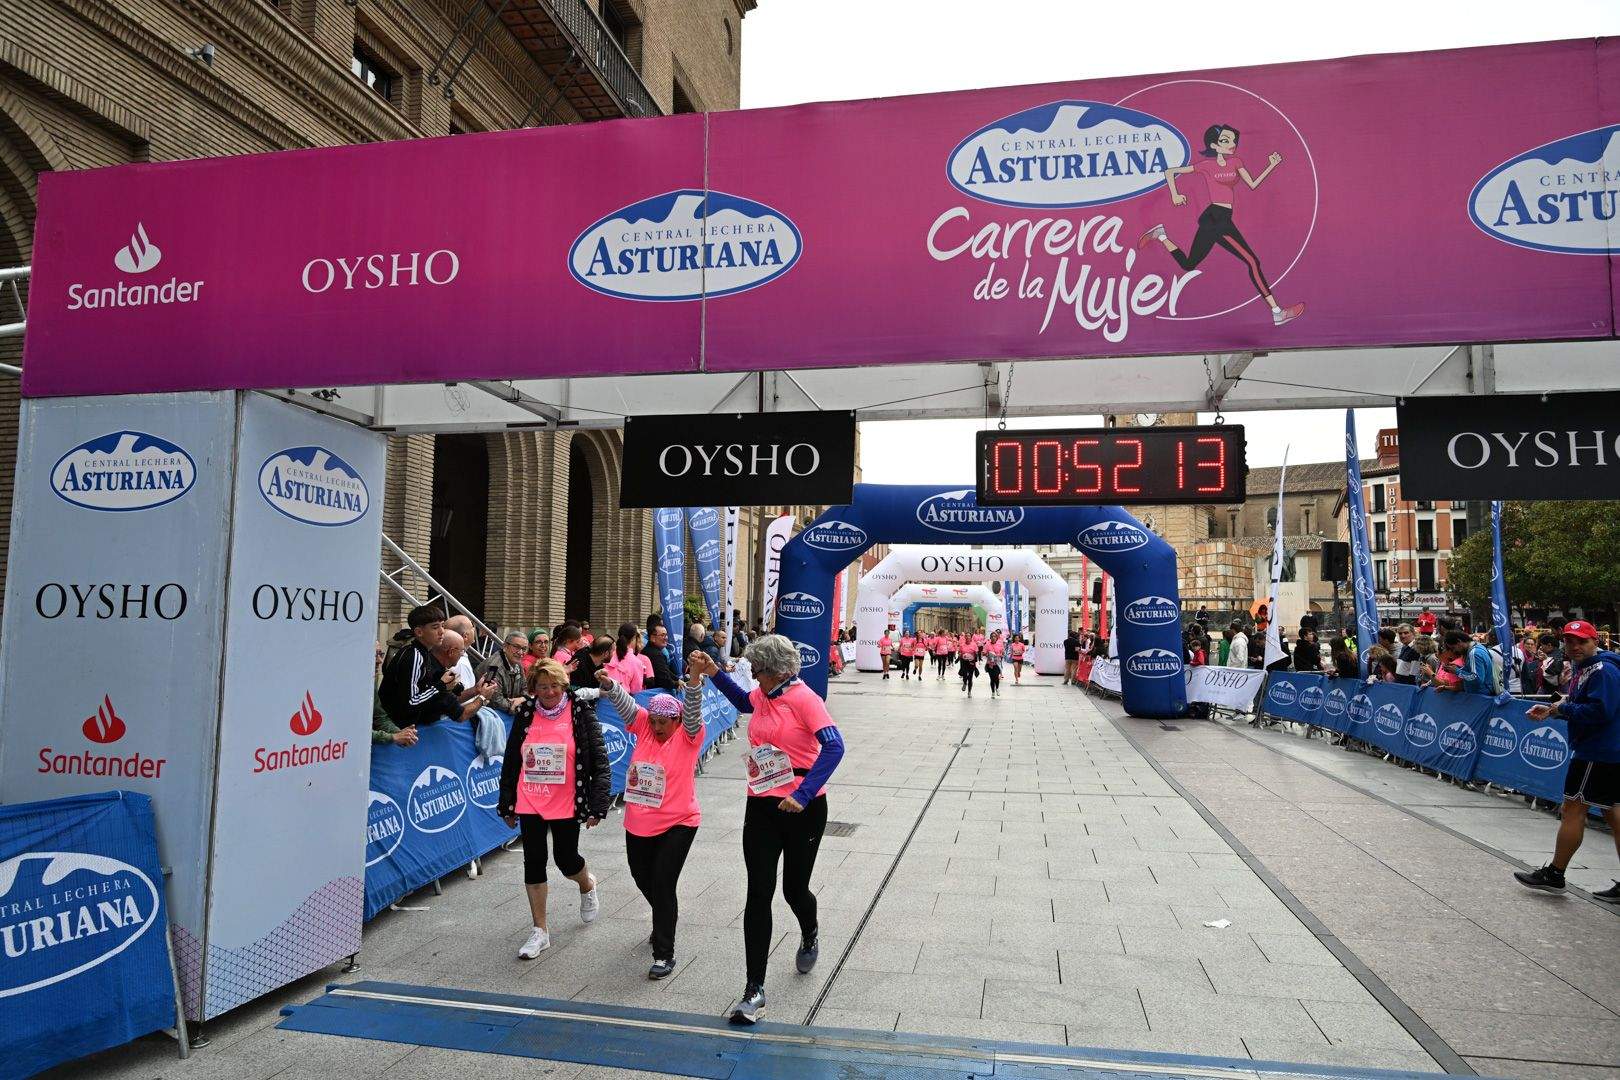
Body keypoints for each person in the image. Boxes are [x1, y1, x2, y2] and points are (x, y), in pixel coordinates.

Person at [686, 637, 845, 1025]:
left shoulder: (805, 699)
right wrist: (714, 674)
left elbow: (834, 747)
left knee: (794, 889)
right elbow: (744, 702)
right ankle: (753, 989)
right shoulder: (764, 694)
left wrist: (804, 794)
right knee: (758, 892)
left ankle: (810, 930)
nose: (753, 677)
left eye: (757, 671)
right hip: (760, 803)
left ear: (775, 671)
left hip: (801, 808)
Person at [497, 658, 611, 959]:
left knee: (566, 860)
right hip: (530, 797)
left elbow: (599, 760)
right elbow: (512, 760)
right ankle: (540, 931)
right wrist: (506, 801)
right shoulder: (525, 713)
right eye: (542, 687)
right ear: (534, 687)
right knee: (533, 861)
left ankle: (586, 884)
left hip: (566, 799)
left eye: (554, 686)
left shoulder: (580, 712)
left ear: (564, 685)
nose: (548, 692)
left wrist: (598, 804)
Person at [597, 668, 707, 976]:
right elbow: (627, 706)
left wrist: (695, 682)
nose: (657, 728)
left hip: (680, 820)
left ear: (677, 721)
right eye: (654, 722)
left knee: (662, 882)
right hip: (639, 820)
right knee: (642, 877)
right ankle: (664, 913)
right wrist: (609, 684)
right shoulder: (645, 727)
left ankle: (664, 953)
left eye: (663, 723)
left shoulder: (688, 735)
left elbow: (694, 711)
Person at [1139, 123, 1304, 327]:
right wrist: (1175, 194)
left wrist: (1271, 165)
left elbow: (1252, 184)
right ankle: (1277, 312)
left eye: (1234, 141)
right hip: (1216, 218)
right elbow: (1170, 172)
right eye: (1226, 141)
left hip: (1221, 217)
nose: (1232, 144)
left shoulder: (1236, 162)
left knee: (1189, 264)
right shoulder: (1206, 166)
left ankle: (1162, 235)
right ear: (1214, 145)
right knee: (1252, 261)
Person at [1513, 622, 1620, 902]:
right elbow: (1584, 703)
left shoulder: (1602, 670)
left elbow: (1600, 711)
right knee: (1613, 813)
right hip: (1605, 750)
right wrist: (1554, 709)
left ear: (1594, 641)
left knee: (1573, 808)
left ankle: (1555, 873)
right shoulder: (1590, 669)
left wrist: (1563, 708)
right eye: (1570, 641)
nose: (1574, 647)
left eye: (1581, 641)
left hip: (1597, 751)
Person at [379, 604, 463, 728]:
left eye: (443, 625)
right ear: (419, 632)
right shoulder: (414, 655)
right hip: (395, 728)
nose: (442, 632)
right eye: (435, 627)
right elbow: (411, 702)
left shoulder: (423, 653)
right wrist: (441, 685)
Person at [434, 631, 497, 721]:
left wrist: (476, 690)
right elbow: (461, 715)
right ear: (451, 652)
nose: (463, 654)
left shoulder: (439, 668)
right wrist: (483, 697)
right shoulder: (437, 677)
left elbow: (451, 701)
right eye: (462, 651)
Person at [372, 642, 418, 748]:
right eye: (374, 655)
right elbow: (353, 731)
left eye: (380, 654)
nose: (380, 661)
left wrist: (401, 733)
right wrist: (392, 737)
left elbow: (379, 717)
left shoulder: (370, 681)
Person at [481, 631, 531, 714]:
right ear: (505, 646)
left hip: (509, 709)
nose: (520, 652)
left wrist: (524, 699)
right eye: (516, 647)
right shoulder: (494, 667)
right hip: (490, 712)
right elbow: (495, 700)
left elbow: (525, 689)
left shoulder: (517, 663)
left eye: (524, 649)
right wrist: (519, 706)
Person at [607, 622, 647, 694]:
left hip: (602, 702)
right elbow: (636, 691)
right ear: (634, 638)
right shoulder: (636, 662)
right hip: (622, 702)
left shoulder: (608, 655)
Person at [645, 623, 681, 691]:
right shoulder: (655, 654)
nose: (666, 638)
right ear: (653, 638)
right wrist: (676, 684)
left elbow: (666, 671)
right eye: (662, 635)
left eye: (666, 635)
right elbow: (663, 678)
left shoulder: (652, 651)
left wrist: (678, 680)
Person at [985, 632, 1004, 698]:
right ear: (990, 638)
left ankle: (997, 688)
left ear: (996, 638)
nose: (993, 638)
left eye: (994, 636)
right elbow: (984, 652)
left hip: (997, 664)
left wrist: (1000, 655)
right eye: (992, 636)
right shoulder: (987, 644)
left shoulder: (999, 644)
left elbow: (1002, 653)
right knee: (992, 678)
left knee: (996, 677)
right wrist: (987, 654)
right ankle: (993, 692)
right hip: (990, 664)